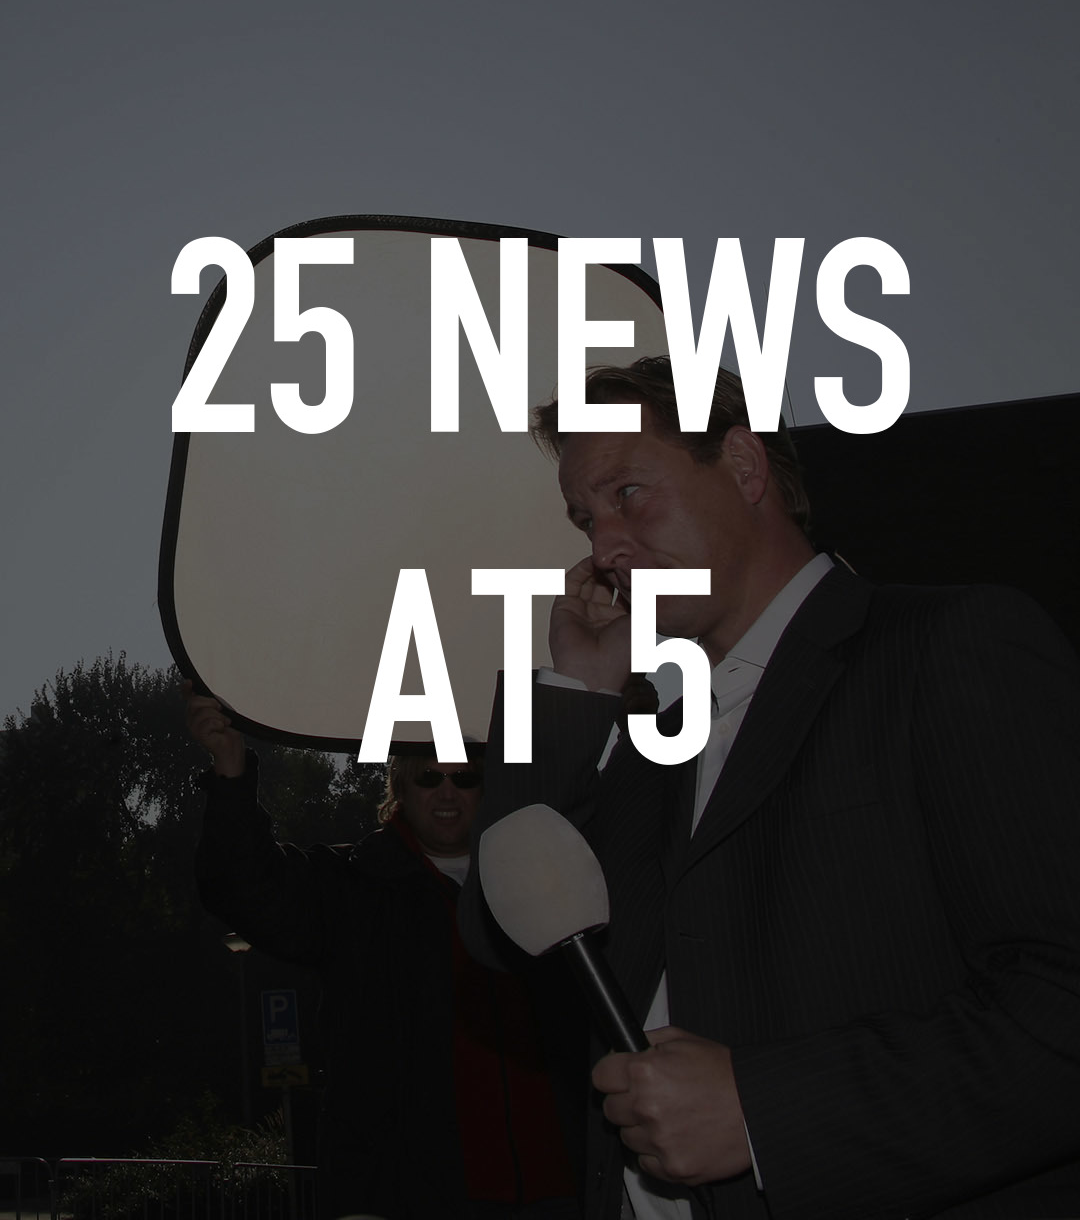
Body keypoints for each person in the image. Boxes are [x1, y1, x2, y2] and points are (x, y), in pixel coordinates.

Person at [459, 356, 1080, 1220]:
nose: (603, 548)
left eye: (628, 493)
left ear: (745, 466)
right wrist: (576, 691)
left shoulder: (948, 646)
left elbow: (1060, 1004)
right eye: (586, 519)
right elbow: (500, 936)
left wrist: (763, 1113)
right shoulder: (652, 744)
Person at [190, 689, 583, 1220]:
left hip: (556, 1189)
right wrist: (231, 770)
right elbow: (243, 888)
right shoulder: (355, 888)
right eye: (429, 777)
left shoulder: (545, 883)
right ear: (400, 786)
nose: (447, 792)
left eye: (465, 778)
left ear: (488, 786)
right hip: (406, 1195)